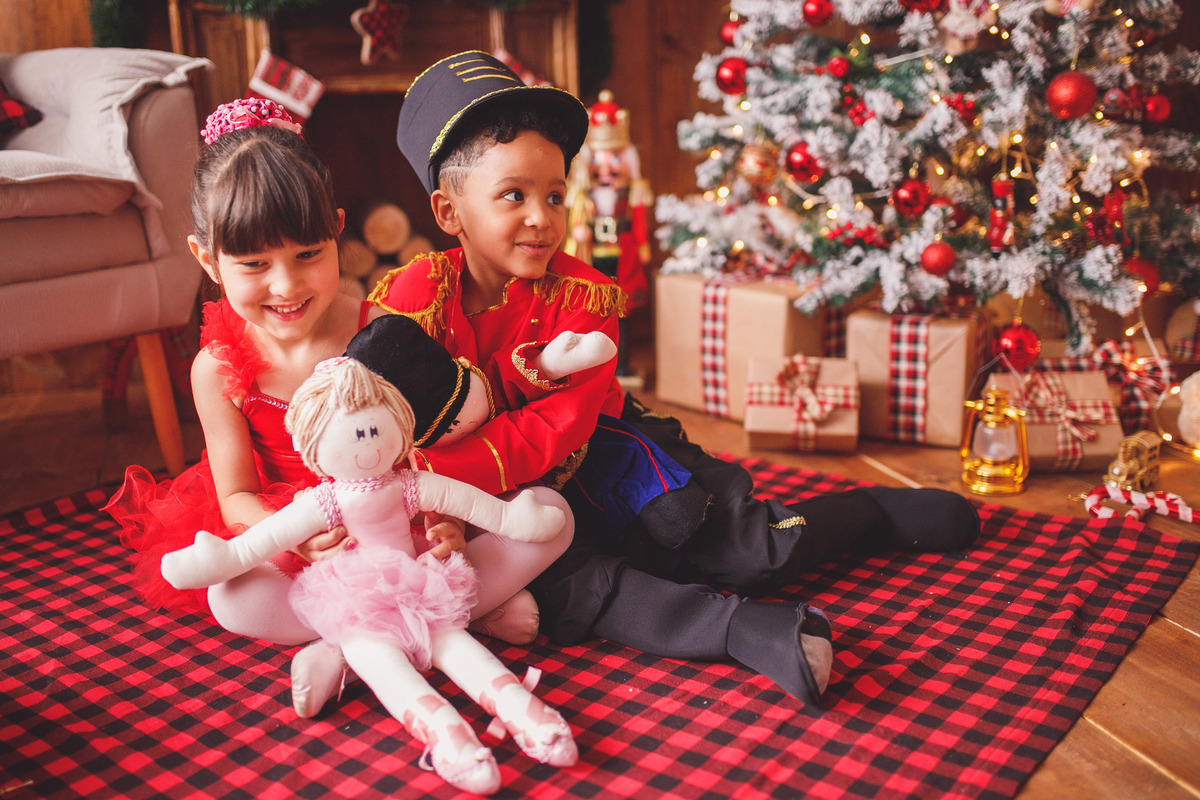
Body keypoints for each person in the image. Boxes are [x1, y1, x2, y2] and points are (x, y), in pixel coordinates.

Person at [373, 51, 982, 707]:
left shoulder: (586, 297)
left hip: (603, 454)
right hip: (505, 506)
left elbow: (559, 428)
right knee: (580, 587)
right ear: (448, 212)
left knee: (751, 552)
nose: (542, 217)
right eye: (513, 196)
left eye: (555, 195)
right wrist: (441, 514)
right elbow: (383, 419)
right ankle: (745, 631)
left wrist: (440, 478)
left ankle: (873, 514)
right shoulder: (414, 302)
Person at [104, 98, 574, 718]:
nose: (286, 286)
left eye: (308, 255)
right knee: (231, 594)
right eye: (254, 265)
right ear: (205, 259)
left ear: (338, 233)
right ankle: (442, 622)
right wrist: (297, 544)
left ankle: (350, 649)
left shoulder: (379, 330)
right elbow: (237, 496)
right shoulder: (216, 368)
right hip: (302, 542)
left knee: (552, 517)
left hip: (396, 528)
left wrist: (446, 530)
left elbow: (431, 451)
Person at [161, 357, 576, 795]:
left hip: (422, 581)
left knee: (457, 641)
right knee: (372, 659)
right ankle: (446, 736)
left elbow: (474, 505)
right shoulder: (322, 501)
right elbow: (254, 544)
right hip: (350, 598)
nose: (369, 444)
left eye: (377, 428)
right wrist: (222, 560)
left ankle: (526, 712)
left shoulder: (411, 482)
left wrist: (495, 523)